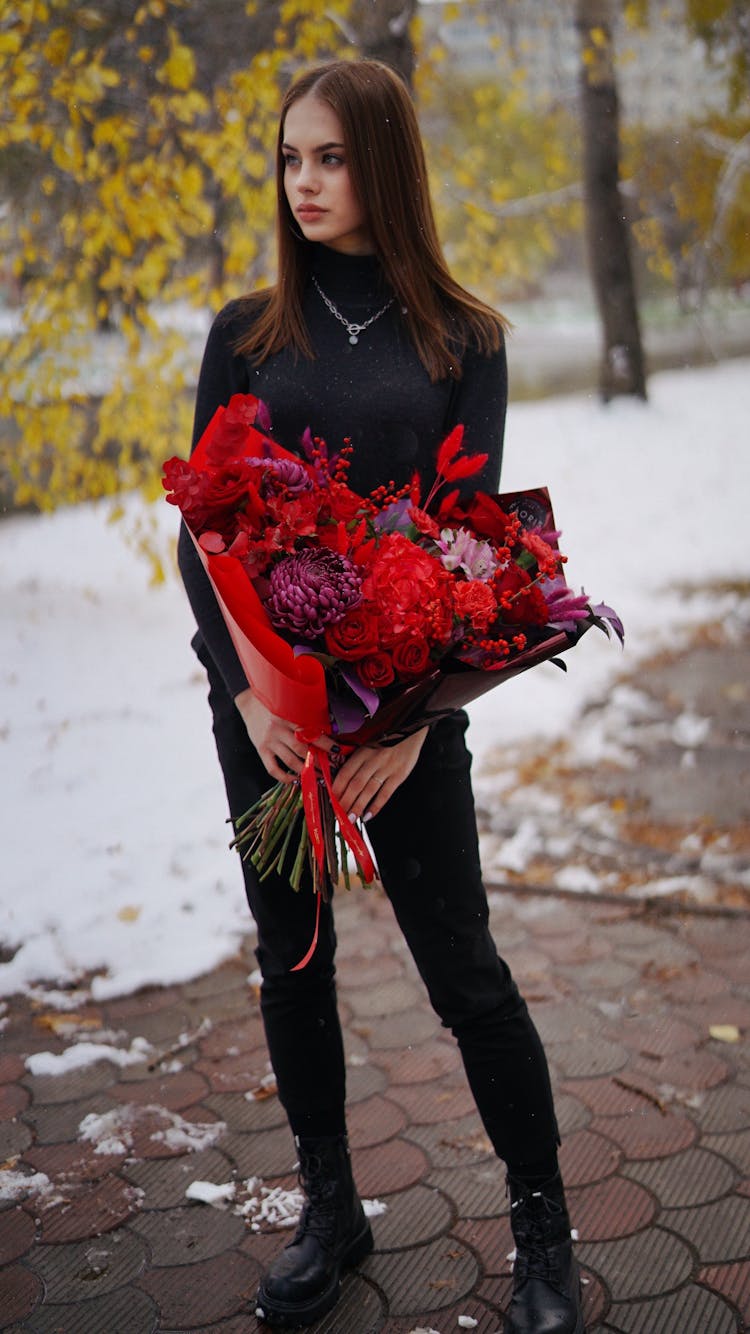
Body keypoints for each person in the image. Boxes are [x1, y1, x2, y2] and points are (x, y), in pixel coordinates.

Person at [178, 58, 584, 1334]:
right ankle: (332, 1209)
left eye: (332, 159)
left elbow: (468, 557)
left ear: (385, 166)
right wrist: (246, 696)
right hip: (266, 710)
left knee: (465, 969)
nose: (305, 182)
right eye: (291, 159)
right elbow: (201, 532)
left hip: (400, 728)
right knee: (292, 962)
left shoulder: (465, 338)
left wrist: (411, 726)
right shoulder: (245, 333)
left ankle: (544, 1233)